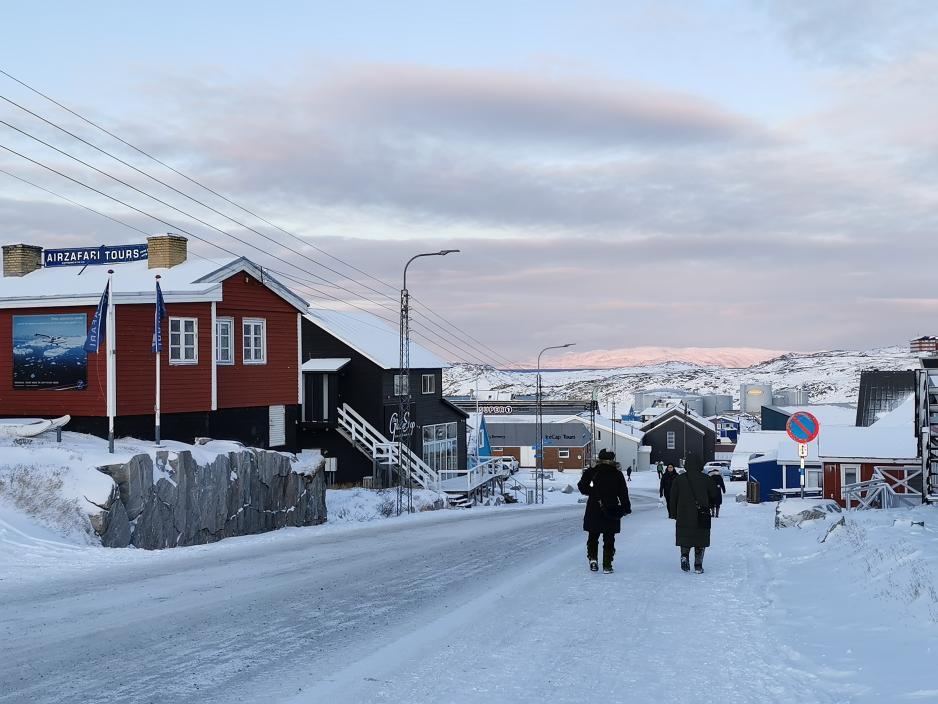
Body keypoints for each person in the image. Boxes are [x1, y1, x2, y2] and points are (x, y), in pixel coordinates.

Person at [578, 449, 631, 574]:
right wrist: (626, 508)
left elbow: (582, 486)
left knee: (593, 535)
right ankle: (607, 564)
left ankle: (593, 560)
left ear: (600, 459)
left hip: (594, 507)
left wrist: (593, 493)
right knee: (609, 537)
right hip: (612, 508)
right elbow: (623, 493)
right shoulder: (617, 474)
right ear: (612, 459)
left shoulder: (592, 471)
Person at [669, 453, 720, 573]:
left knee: (685, 537)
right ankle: (698, 565)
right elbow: (715, 495)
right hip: (701, 514)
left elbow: (673, 497)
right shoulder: (706, 479)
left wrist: (673, 513)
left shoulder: (679, 479)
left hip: (683, 515)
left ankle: (684, 556)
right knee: (700, 539)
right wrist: (710, 504)